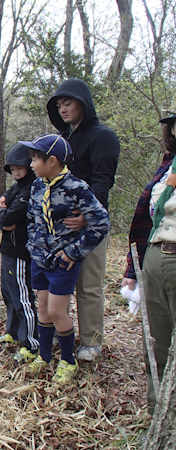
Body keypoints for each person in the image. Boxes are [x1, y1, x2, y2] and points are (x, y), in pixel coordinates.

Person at [22, 134, 110, 385]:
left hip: (63, 262)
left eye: (35, 159)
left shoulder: (76, 188)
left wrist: (74, 252)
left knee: (56, 311)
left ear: (52, 161)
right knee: (43, 309)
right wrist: (34, 245)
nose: (31, 165)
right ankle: (45, 356)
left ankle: (68, 360)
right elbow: (32, 218)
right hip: (40, 258)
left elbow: (101, 224)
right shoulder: (38, 186)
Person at [47, 79, 120, 361]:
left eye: (68, 103)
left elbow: (103, 180)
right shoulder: (61, 140)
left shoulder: (104, 136)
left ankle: (90, 341)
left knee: (88, 285)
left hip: (90, 224)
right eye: (59, 105)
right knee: (57, 278)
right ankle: (59, 331)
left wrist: (87, 217)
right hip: (59, 225)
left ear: (83, 103)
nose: (63, 110)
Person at [122, 93, 176, 415]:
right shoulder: (166, 166)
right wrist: (134, 267)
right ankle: (160, 419)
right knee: (157, 345)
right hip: (156, 257)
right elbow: (145, 219)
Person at [0, 143, 39, 365]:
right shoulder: (16, 187)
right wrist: (3, 212)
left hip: (21, 251)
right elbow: (2, 216)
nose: (16, 172)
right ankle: (13, 331)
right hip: (8, 248)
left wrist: (3, 214)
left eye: (19, 168)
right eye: (12, 168)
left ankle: (31, 342)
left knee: (22, 296)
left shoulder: (32, 188)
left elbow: (8, 218)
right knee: (8, 293)